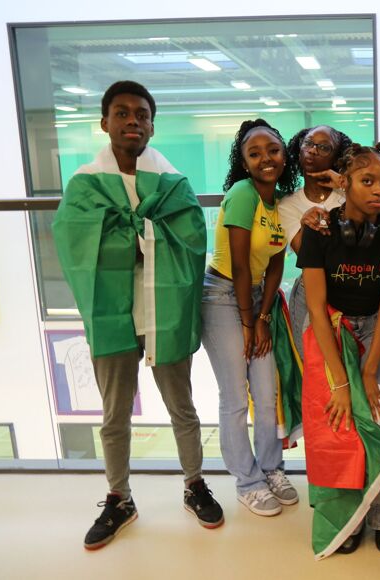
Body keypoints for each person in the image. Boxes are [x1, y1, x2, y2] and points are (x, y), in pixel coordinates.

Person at [52, 80, 223, 550]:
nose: (133, 121)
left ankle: (194, 484)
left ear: (152, 125)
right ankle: (119, 497)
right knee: (114, 413)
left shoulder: (172, 183)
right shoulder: (86, 182)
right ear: (104, 122)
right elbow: (73, 240)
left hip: (162, 310)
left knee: (181, 405)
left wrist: (129, 236)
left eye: (142, 114)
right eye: (122, 113)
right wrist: (145, 236)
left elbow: (191, 238)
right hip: (111, 313)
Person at [297, 142, 380, 558]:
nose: (379, 190)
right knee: (338, 422)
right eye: (367, 181)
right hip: (330, 329)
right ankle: (347, 516)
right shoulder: (319, 229)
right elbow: (315, 307)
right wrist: (341, 382)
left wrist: (367, 372)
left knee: (375, 421)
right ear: (344, 183)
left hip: (375, 328)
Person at [201, 119, 301, 517]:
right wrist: (249, 322)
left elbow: (275, 264)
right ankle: (247, 481)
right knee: (234, 396)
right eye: (254, 154)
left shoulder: (281, 201)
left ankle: (271, 469)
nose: (265, 159)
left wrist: (261, 316)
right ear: (244, 163)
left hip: (256, 300)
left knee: (266, 391)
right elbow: (241, 266)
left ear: (284, 155)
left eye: (273, 150)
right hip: (222, 296)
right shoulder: (243, 194)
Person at [279, 125, 351, 358]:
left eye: (324, 147)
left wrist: (344, 183)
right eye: (308, 143)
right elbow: (306, 253)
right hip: (310, 292)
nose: (312, 150)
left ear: (336, 158)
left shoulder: (349, 196)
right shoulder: (288, 205)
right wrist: (307, 225)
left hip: (352, 287)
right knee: (312, 365)